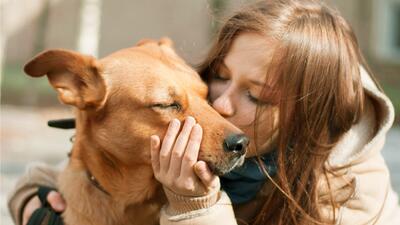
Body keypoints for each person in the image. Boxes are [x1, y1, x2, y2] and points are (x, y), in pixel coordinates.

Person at [8, 0, 400, 224]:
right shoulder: (185, 140)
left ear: (309, 113)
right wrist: (30, 203)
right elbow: (68, 172)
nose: (220, 107)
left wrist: (195, 205)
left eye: (258, 97)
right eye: (218, 76)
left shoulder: (356, 199)